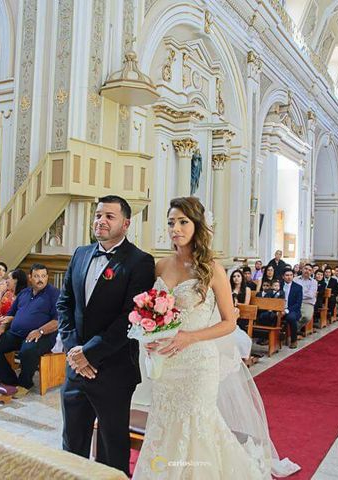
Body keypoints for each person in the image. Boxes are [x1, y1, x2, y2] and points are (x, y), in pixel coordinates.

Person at [134, 197, 299, 478]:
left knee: (197, 424)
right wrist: (147, 335)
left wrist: (191, 337)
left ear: (197, 226)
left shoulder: (212, 269)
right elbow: (154, 312)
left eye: (183, 222)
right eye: (172, 222)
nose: (176, 228)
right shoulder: (160, 266)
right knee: (164, 422)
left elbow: (228, 323)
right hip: (166, 362)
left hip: (198, 362)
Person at [56, 195, 155, 475]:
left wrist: (90, 353)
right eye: (98, 215)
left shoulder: (140, 262)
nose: (101, 221)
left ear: (126, 223)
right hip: (76, 368)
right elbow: (65, 304)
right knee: (72, 443)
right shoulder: (80, 254)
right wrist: (75, 352)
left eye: (109, 216)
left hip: (112, 370)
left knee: (112, 447)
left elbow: (129, 318)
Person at [0, 264, 59, 398]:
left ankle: (25, 384)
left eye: (43, 276)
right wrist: (2, 327)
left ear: (47, 277)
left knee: (27, 349)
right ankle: (9, 381)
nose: (40, 279)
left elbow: (57, 321)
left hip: (42, 336)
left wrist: (40, 331)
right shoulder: (24, 293)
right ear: (30, 277)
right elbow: (11, 314)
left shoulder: (54, 294)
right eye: (37, 276)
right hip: (16, 334)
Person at [281, 269, 303, 349]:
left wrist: (286, 310)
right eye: (287, 275)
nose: (289, 277)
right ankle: (269, 338)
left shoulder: (298, 287)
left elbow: (298, 303)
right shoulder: (279, 285)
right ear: (283, 277)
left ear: (293, 276)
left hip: (292, 309)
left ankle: (294, 340)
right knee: (269, 315)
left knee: (291, 317)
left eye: (291, 275)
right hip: (279, 308)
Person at [293, 264, 317, 336]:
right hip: (295, 302)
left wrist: (298, 294)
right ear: (302, 269)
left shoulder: (314, 282)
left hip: (307, 303)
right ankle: (293, 330)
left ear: (312, 272)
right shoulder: (295, 279)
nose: (307, 271)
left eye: (309, 270)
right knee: (291, 315)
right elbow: (292, 292)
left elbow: (310, 295)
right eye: (306, 269)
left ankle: (294, 328)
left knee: (307, 317)